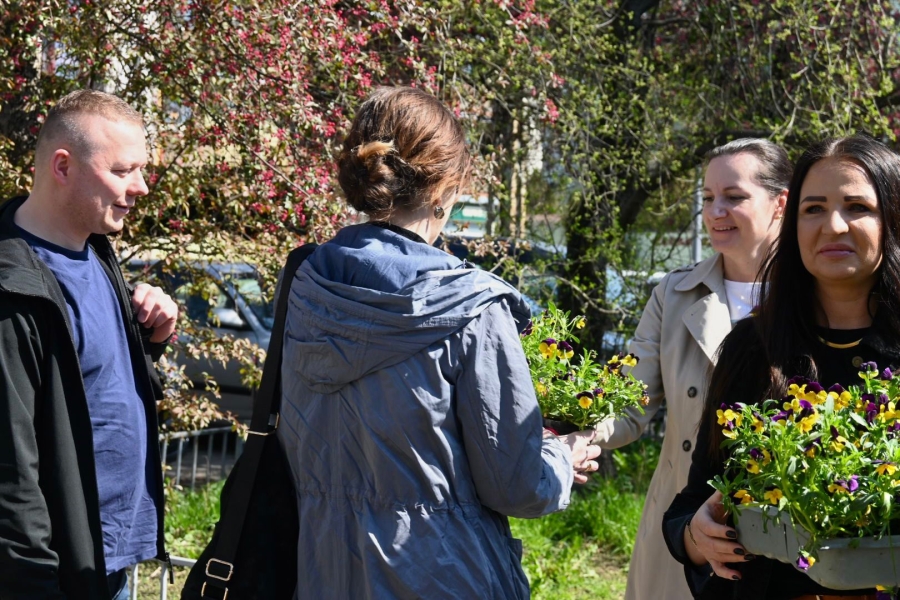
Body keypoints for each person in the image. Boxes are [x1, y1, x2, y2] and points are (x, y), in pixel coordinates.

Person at [277, 86, 599, 599]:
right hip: (445, 578)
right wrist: (562, 457)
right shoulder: (471, 306)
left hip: (323, 573)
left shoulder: (306, 285)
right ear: (445, 187)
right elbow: (515, 485)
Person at [662, 134, 900, 599]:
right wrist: (697, 535)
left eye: (857, 207)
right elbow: (693, 503)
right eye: (813, 209)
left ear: (892, 218)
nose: (833, 225)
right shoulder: (754, 347)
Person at [594, 138, 791, 600]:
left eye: (734, 197)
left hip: (788, 540)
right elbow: (627, 404)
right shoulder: (674, 294)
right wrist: (570, 433)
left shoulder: (820, 297)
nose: (716, 211)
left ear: (780, 203)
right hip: (681, 535)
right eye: (707, 197)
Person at [0, 90, 177, 599]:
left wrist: (150, 339)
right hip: (56, 578)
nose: (141, 187)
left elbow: (89, 388)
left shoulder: (97, 253)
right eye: (123, 170)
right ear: (63, 166)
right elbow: (10, 471)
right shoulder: (11, 292)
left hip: (108, 563)